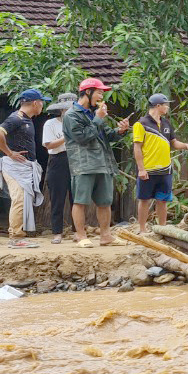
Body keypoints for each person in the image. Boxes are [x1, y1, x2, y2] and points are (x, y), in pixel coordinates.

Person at [63, 78, 130, 247]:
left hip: (103, 163)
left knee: (105, 202)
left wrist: (121, 130)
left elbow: (108, 134)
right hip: (84, 164)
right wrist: (98, 118)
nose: (101, 95)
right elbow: (83, 137)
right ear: (88, 92)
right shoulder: (71, 115)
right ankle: (80, 235)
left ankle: (106, 236)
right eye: (99, 92)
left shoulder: (94, 114)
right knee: (80, 201)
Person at [132, 94, 188, 235]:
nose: (168, 107)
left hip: (166, 169)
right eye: (166, 104)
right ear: (158, 106)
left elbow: (174, 143)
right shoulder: (141, 124)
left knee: (163, 200)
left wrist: (186, 145)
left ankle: (162, 229)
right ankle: (142, 229)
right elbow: (137, 148)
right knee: (144, 200)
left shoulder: (166, 123)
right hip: (148, 170)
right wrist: (141, 169)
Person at [1, 88, 49, 248]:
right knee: (19, 199)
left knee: (22, 200)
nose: (43, 105)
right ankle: (16, 237)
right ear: (36, 103)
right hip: (14, 167)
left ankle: (18, 234)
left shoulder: (27, 119)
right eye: (42, 102)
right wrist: (9, 153)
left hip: (24, 166)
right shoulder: (17, 118)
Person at [42, 93, 75, 244]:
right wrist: (67, 135)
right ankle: (57, 233)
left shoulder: (79, 122)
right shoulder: (51, 124)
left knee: (77, 198)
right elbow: (49, 145)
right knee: (57, 198)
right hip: (58, 160)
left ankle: (77, 231)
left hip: (76, 160)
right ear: (61, 110)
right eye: (66, 109)